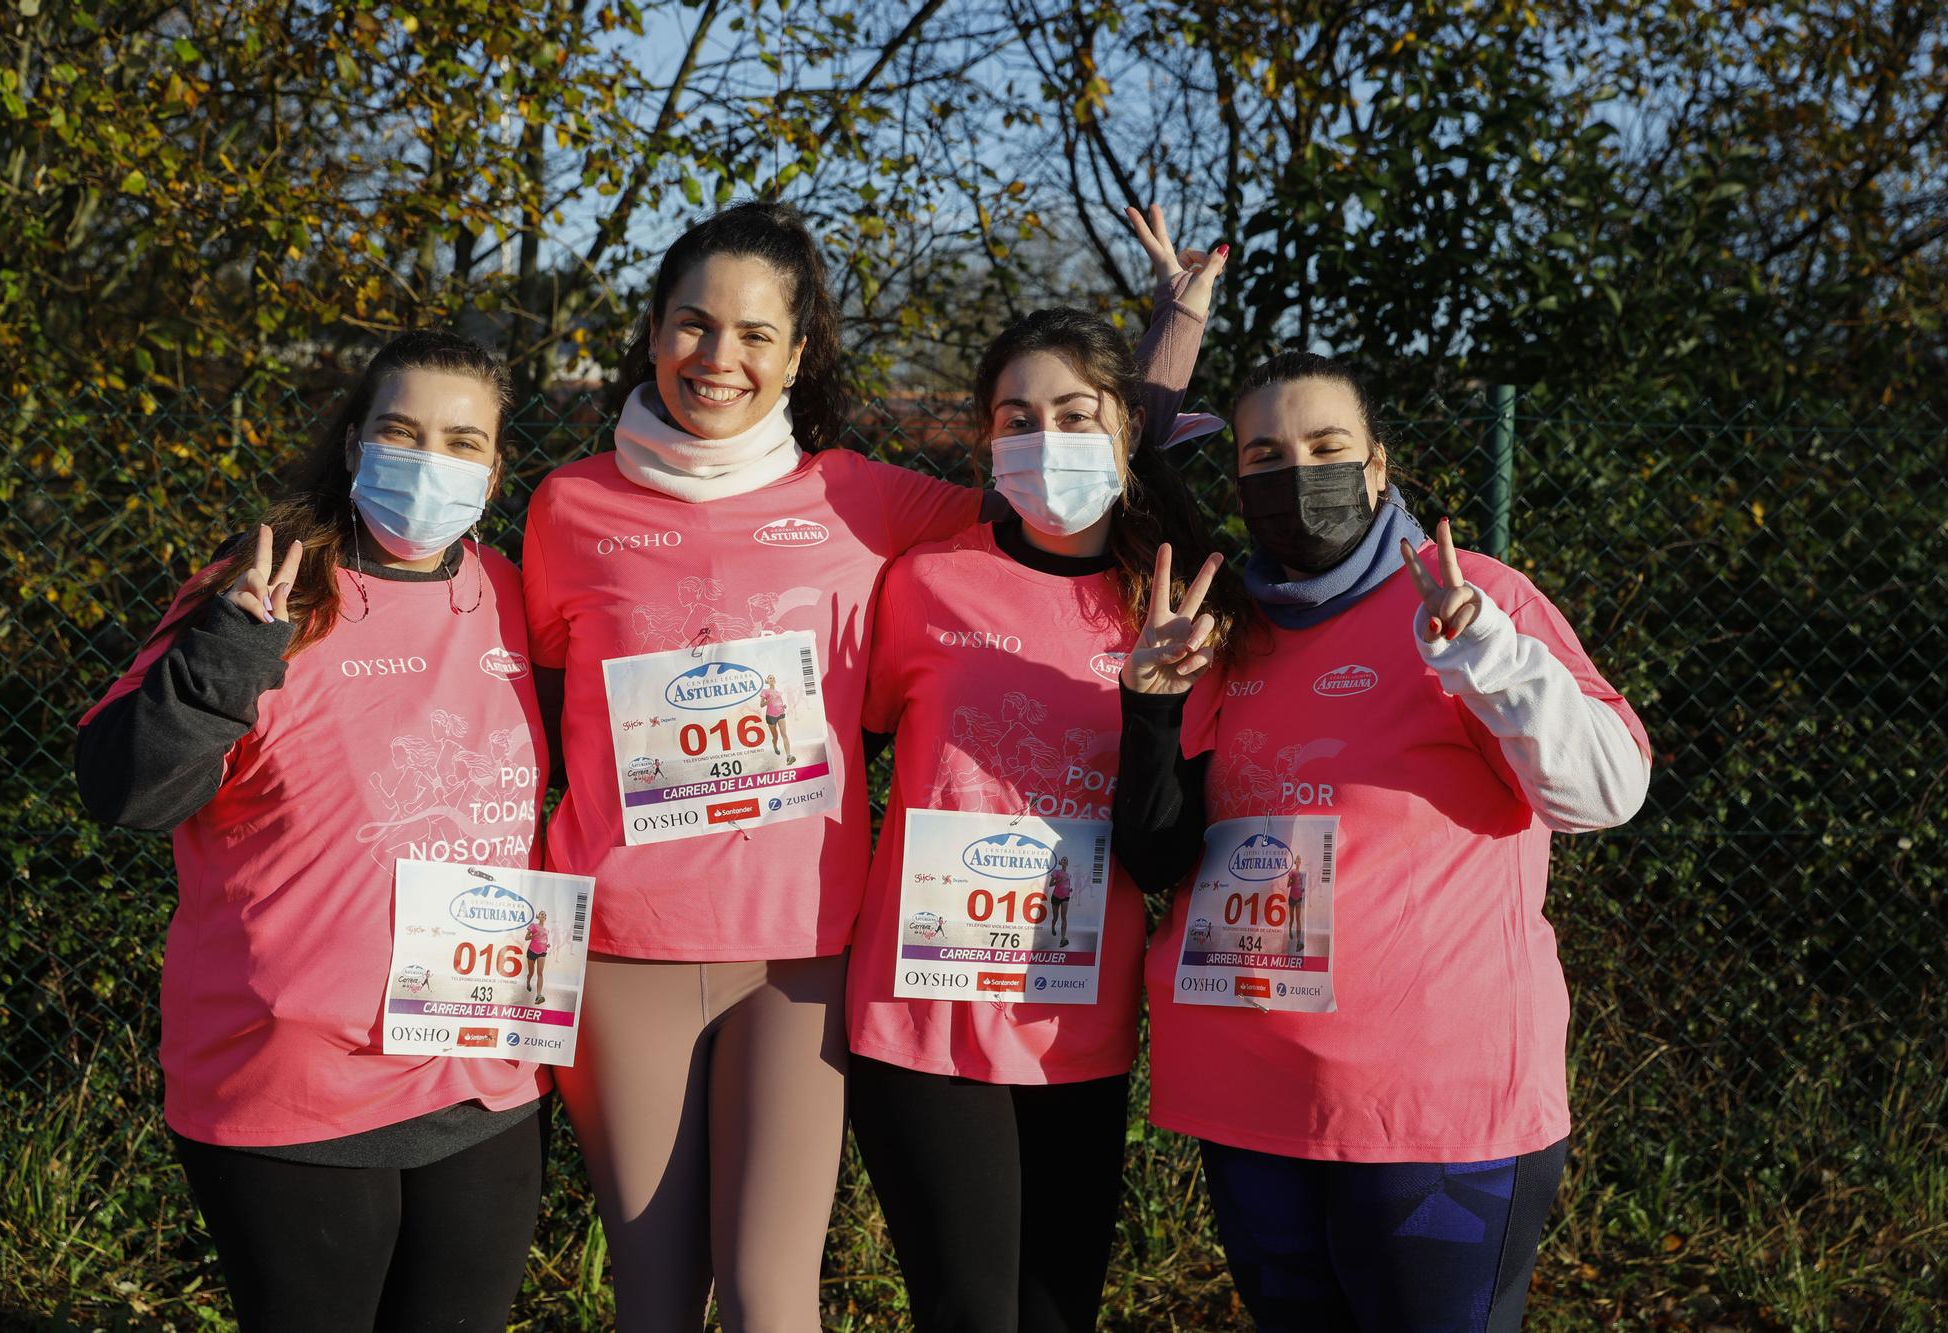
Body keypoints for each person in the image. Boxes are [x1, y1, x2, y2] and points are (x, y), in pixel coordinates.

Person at [522, 200, 1001, 1332]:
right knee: (649, 1300)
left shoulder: (863, 497)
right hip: (619, 950)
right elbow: (536, 714)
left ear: (795, 354)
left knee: (769, 1297)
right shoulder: (567, 505)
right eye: (693, 324)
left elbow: (1058, 507)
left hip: (799, 956)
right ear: (651, 333)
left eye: (752, 333)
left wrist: (1165, 360)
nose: (717, 356)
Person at [1112, 349, 1652, 1333]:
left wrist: (1485, 655)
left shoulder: (1470, 599)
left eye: (1325, 446)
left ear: (1375, 468)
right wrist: (1149, 710)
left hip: (1431, 1112)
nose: (1295, 472)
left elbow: (1603, 791)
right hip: (1249, 1101)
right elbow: (1162, 851)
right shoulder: (1224, 625)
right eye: (1264, 453)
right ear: (1235, 479)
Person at [75, 331, 551, 1333]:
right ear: (352, 444)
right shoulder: (262, 589)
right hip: (290, 1083)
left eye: (463, 441)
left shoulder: (517, 595)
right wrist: (224, 662)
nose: (432, 462)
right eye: (403, 432)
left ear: (498, 467)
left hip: (478, 1066)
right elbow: (126, 791)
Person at [845, 205, 1239, 1333]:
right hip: (918, 1017)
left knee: (1058, 1313)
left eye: (1075, 413)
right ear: (984, 439)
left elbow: (1165, 852)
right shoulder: (922, 583)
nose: (1046, 436)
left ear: (1124, 433)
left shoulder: (1172, 606)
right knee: (969, 1316)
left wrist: (1154, 704)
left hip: (1078, 1022)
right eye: (1017, 416)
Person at [762, 672, 795, 764]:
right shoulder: (765, 691)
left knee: (784, 734)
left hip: (781, 714)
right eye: (770, 678)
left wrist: (783, 706)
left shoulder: (778, 692)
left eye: (773, 678)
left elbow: (779, 702)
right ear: (767, 681)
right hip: (770, 716)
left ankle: (789, 756)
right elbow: (761, 705)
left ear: (775, 681)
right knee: (775, 737)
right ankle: (775, 746)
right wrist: (768, 701)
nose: (771, 679)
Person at [526, 909, 550, 1004]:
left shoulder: (547, 930)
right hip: (532, 951)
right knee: (531, 973)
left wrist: (546, 945)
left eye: (544, 915)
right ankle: (528, 982)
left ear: (545, 918)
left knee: (540, 973)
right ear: (539, 916)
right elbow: (526, 937)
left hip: (542, 952)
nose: (543, 916)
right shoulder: (533, 926)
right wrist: (534, 935)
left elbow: (544, 940)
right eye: (541, 914)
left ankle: (538, 996)